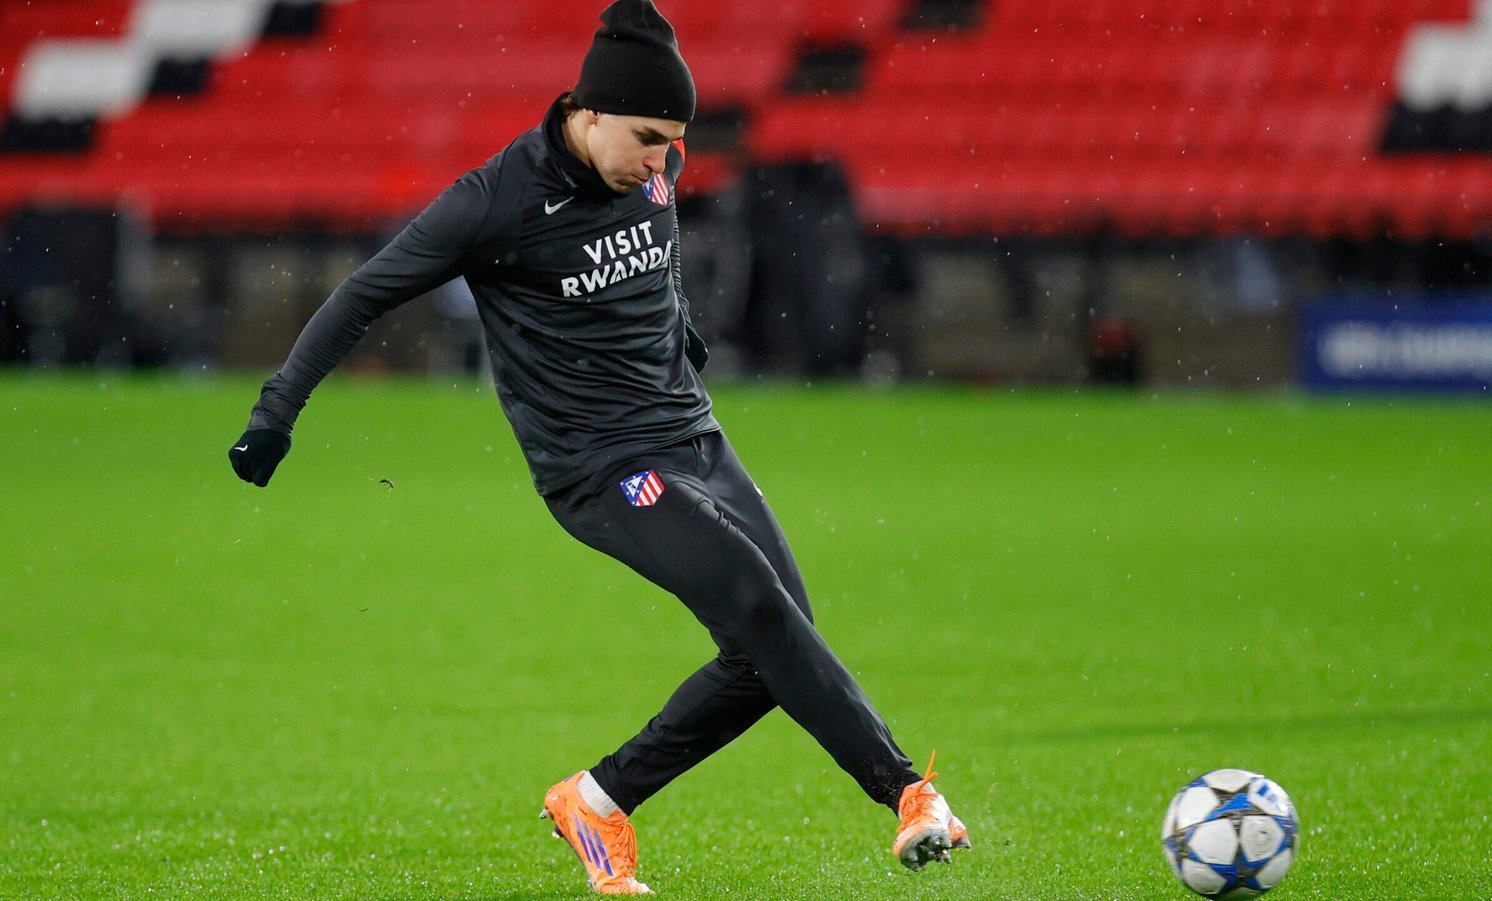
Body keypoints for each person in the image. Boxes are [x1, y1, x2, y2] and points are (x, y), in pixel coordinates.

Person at [227, 1, 968, 893]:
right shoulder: (494, 201)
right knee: (761, 610)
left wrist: (681, 330)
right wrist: (278, 409)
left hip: (691, 431)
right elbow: (362, 295)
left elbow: (659, 249)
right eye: (648, 138)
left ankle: (600, 798)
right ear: (585, 114)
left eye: (672, 141)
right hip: (601, 468)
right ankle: (908, 793)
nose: (663, 161)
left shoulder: (651, 166)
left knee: (772, 650)